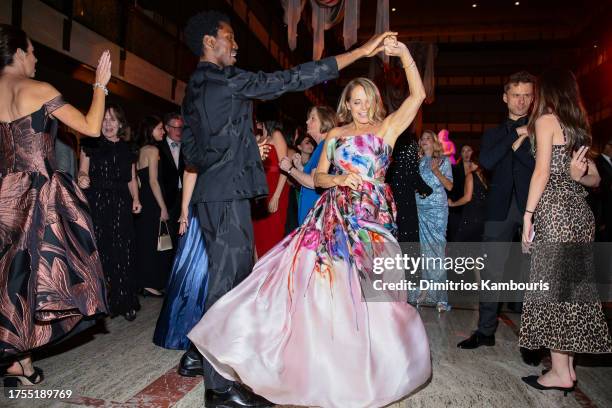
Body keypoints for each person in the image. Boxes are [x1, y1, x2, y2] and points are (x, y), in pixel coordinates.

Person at [188, 38, 431, 408]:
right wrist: (338, 180)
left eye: (368, 100)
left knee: (379, 296)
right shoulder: (334, 136)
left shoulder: (388, 130)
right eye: (356, 100)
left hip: (373, 217)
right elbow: (318, 177)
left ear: (376, 103)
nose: (362, 107)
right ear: (347, 105)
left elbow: (418, 95)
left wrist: (406, 56)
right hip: (335, 215)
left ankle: (377, 368)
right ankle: (325, 367)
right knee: (328, 293)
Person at [0, 24, 109, 385]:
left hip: (4, 195)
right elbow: (92, 127)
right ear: (17, 53)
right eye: (32, 51)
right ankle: (20, 361)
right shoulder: (40, 90)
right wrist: (100, 85)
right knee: (45, 277)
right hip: (38, 195)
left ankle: (21, 363)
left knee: (12, 280)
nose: (36, 57)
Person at [519, 68, 612, 394]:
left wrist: (528, 215)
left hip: (556, 213)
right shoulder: (579, 129)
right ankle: (567, 367)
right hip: (581, 217)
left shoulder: (545, 121)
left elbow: (541, 172)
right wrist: (576, 176)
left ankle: (560, 372)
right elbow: (595, 180)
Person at [457, 72, 538, 361]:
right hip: (498, 210)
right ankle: (485, 331)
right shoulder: (493, 134)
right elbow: (487, 161)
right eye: (516, 94)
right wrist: (516, 136)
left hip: (534, 209)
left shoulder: (543, 130)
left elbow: (540, 166)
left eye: (527, 95)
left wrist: (524, 139)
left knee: (533, 276)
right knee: (491, 273)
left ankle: (531, 340)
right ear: (505, 97)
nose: (522, 100)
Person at [79, 104, 141, 321]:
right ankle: (102, 302)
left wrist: (136, 199)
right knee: (102, 252)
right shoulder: (90, 145)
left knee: (123, 251)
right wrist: (82, 179)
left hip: (121, 203)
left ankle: (126, 301)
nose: (107, 124)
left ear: (120, 124)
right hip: (97, 202)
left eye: (112, 120)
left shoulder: (129, 148)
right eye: (104, 119)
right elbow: (82, 171)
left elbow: (131, 179)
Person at [153, 170, 209, 350]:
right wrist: (184, 210)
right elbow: (190, 172)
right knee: (195, 266)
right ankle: (186, 331)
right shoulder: (200, 141)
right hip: (202, 207)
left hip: (219, 205)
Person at [411, 130, 453, 311]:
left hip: (437, 211)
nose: (424, 140)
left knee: (437, 252)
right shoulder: (417, 163)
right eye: (423, 138)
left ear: (434, 142)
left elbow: (450, 185)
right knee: (423, 252)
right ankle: (424, 293)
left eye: (428, 138)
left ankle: (441, 298)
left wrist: (436, 170)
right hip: (420, 210)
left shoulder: (443, 161)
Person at [134, 115, 173, 297]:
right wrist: (163, 207)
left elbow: (139, 181)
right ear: (151, 131)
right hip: (153, 200)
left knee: (147, 240)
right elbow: (153, 181)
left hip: (144, 199)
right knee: (157, 242)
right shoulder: (152, 150)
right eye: (159, 128)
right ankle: (150, 284)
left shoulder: (140, 150)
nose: (163, 131)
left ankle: (145, 282)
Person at [280, 106, 337, 225]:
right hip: (314, 215)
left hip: (316, 218)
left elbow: (313, 182)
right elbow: (314, 177)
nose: (307, 121)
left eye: (312, 118)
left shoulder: (323, 146)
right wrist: (300, 167)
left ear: (324, 122)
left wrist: (289, 169)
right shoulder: (321, 146)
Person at [252, 120, 289, 256]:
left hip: (275, 189)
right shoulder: (257, 138)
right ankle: (257, 273)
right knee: (257, 235)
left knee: (272, 235)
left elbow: (285, 167)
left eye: (258, 118)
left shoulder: (276, 135)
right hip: (259, 192)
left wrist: (276, 196)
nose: (255, 121)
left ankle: (271, 274)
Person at [158, 112, 185, 246]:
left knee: (183, 237)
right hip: (167, 198)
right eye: (175, 128)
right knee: (167, 238)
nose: (179, 131)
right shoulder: (158, 147)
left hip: (185, 197)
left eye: (181, 128)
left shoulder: (187, 147)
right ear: (167, 128)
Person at [448, 154, 487, 242]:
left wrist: (453, 204)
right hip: (482, 217)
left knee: (460, 244)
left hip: (471, 216)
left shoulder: (471, 175)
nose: (470, 164)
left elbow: (467, 198)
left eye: (472, 162)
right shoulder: (484, 177)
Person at [283, 131, 315, 233]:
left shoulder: (315, 162)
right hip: (297, 196)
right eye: (307, 143)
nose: (310, 145)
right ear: (299, 147)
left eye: (311, 143)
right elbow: (289, 180)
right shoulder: (294, 161)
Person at [447, 144, 474, 241]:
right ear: (461, 154)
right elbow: (449, 186)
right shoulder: (454, 169)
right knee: (456, 239)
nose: (466, 153)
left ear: (473, 152)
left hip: (473, 210)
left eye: (469, 150)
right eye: (463, 151)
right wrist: (450, 200)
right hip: (457, 208)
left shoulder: (478, 169)